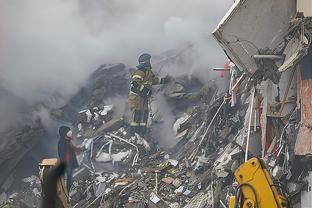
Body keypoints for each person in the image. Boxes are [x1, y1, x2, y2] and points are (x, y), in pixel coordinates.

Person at [128, 53, 170, 136]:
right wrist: (146, 90)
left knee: (144, 115)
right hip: (136, 98)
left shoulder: (149, 73)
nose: (150, 62)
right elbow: (134, 84)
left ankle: (142, 134)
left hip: (143, 98)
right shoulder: (140, 72)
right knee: (137, 115)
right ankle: (134, 135)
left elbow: (154, 81)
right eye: (149, 61)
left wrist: (165, 80)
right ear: (146, 62)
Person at [57, 126, 82, 193]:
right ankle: (66, 192)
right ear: (64, 134)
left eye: (70, 130)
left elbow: (73, 148)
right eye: (68, 132)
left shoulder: (67, 140)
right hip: (67, 163)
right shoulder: (62, 143)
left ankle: (66, 191)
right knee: (69, 178)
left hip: (69, 162)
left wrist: (80, 149)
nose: (71, 132)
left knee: (69, 176)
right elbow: (63, 155)